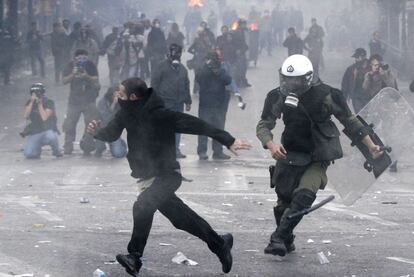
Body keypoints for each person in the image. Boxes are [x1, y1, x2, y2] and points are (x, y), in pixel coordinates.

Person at [87, 77, 251, 277]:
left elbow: (197, 125)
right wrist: (97, 133)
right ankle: (220, 244)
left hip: (167, 175)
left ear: (132, 96)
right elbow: (111, 133)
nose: (117, 97)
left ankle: (134, 257)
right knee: (182, 219)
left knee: (142, 205)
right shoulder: (125, 113)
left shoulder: (161, 115)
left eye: (120, 94)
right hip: (146, 177)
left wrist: (228, 140)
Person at [256, 54, 382, 257]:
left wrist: (371, 146)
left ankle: (277, 238)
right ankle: (286, 238)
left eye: (296, 79)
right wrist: (271, 145)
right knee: (283, 204)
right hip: (290, 153)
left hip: (317, 155)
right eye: (287, 79)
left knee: (304, 195)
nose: (291, 83)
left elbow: (350, 122)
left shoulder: (327, 95)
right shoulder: (277, 96)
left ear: (306, 78)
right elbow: (264, 125)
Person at [151, 44, 191, 158]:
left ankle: (175, 149)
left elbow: (186, 85)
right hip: (164, 102)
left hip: (178, 103)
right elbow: (154, 85)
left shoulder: (183, 69)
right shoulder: (160, 67)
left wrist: (188, 101)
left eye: (178, 54)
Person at [62, 49, 100, 155]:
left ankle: (87, 146)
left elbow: (96, 79)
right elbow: (64, 80)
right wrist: (72, 74)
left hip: (89, 100)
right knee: (69, 124)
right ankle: (68, 146)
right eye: (79, 58)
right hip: (74, 100)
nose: (82, 60)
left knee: (90, 124)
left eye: (84, 58)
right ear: (75, 58)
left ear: (87, 58)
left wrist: (86, 76)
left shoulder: (91, 65)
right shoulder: (70, 65)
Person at [196, 51, 232, 160]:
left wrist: (218, 71)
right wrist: (208, 68)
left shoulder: (221, 70)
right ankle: (202, 151)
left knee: (218, 129)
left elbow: (228, 80)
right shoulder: (203, 70)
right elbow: (198, 78)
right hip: (206, 105)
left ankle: (218, 152)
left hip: (218, 105)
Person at [22, 83, 62, 159]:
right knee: (29, 154)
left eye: (39, 93)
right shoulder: (30, 102)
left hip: (47, 129)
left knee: (51, 137)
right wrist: (31, 102)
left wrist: (40, 104)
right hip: (35, 131)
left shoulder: (49, 102)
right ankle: (36, 149)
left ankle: (56, 150)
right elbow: (26, 116)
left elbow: (44, 117)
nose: (37, 95)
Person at [95, 86, 127, 158]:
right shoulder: (102, 102)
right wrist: (113, 104)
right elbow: (106, 118)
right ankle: (100, 147)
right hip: (102, 129)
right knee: (98, 147)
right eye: (115, 95)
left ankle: (122, 144)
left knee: (118, 154)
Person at [341, 48, 370, 113]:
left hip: (369, 97)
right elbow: (345, 84)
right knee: (360, 115)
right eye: (355, 57)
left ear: (364, 56)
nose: (356, 59)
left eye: (357, 57)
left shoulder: (372, 67)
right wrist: (344, 98)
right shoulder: (351, 69)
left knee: (369, 116)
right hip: (356, 96)